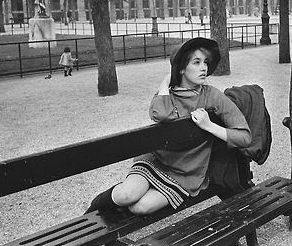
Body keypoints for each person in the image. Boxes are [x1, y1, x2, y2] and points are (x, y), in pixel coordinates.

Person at [84, 37, 252, 215]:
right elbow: (162, 115)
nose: (204, 68)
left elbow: (245, 137)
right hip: (156, 161)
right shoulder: (165, 95)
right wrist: (165, 83)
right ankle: (96, 206)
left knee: (140, 207)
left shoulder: (213, 95)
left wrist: (209, 126)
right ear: (181, 68)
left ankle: (117, 210)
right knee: (128, 195)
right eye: (196, 62)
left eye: (205, 62)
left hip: (187, 173)